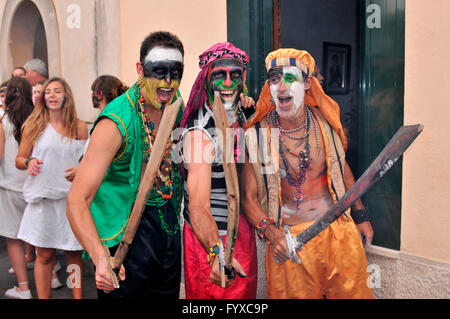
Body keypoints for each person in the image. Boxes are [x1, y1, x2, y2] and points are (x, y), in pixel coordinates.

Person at [241, 49, 374, 299]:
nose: (282, 87)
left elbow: (341, 170)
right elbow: (248, 199)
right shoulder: (256, 135)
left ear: (307, 84)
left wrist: (361, 214)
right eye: (274, 79)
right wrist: (273, 235)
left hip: (339, 233)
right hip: (290, 243)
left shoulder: (326, 122)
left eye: (291, 78)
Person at [66, 31, 185, 299]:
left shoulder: (176, 104)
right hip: (125, 239)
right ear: (140, 69)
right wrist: (100, 258)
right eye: (159, 71)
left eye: (175, 72)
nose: (168, 82)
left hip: (168, 230)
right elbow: (76, 201)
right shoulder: (116, 122)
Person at [178, 42, 257, 299]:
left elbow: (249, 188)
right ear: (205, 81)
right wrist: (216, 252)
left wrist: (252, 122)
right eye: (218, 75)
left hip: (242, 237)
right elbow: (198, 206)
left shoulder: (242, 117)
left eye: (235, 75)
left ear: (243, 79)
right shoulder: (199, 133)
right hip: (210, 242)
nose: (227, 82)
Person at [16, 77, 88, 299]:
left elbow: (89, 162)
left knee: (74, 255)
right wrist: (29, 163)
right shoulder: (33, 125)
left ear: (66, 95)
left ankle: (77, 298)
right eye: (48, 92)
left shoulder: (80, 127)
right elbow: (19, 159)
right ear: (42, 97)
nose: (52, 95)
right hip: (44, 201)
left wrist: (80, 169)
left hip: (71, 202)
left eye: (57, 91)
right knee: (45, 256)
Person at [0, 77, 35, 299]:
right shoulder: (38, 118)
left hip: (10, 185)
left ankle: (24, 287)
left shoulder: (3, 120)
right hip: (35, 184)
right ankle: (52, 277)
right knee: (39, 235)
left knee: (13, 238)